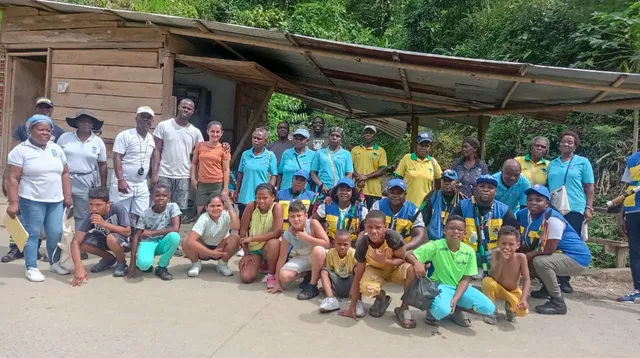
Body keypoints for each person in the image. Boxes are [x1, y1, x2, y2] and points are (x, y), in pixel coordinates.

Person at [5, 115, 72, 281]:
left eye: (48, 130)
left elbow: (65, 172)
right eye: (41, 129)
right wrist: (14, 202)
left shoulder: (56, 149)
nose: (45, 133)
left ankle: (54, 263)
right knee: (32, 233)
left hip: (55, 200)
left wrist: (67, 196)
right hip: (31, 199)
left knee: (55, 233)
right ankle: (31, 267)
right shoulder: (20, 151)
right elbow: (12, 178)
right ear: (30, 130)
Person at [2, 97, 64, 263]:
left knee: (46, 228)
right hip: (26, 183)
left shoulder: (58, 131)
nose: (44, 110)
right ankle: (16, 249)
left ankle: (39, 254)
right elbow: (14, 156)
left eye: (47, 107)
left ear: (52, 109)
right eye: (41, 107)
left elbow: (62, 164)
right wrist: (7, 183)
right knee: (22, 221)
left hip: (50, 187)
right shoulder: (24, 128)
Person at [406, 215, 496, 328]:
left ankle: (455, 309)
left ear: (465, 234)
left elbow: (466, 278)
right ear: (445, 230)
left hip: (460, 288)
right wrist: (417, 263)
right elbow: (409, 254)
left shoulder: (469, 251)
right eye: (451, 228)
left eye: (460, 229)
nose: (456, 231)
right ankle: (432, 313)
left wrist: (456, 298)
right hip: (440, 286)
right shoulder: (435, 246)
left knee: (489, 308)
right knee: (441, 310)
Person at [516, 185, 592, 314]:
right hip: (558, 254)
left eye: (539, 200)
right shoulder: (522, 214)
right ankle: (546, 288)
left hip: (577, 258)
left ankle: (557, 302)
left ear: (547, 204)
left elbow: (548, 250)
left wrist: (522, 257)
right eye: (530, 199)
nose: (533, 202)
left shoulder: (553, 219)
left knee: (540, 262)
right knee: (529, 259)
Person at [339, 210, 416, 323]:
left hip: (394, 269)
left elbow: (402, 259)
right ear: (365, 226)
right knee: (366, 288)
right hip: (375, 270)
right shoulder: (363, 243)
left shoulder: (394, 238)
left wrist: (386, 261)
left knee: (411, 270)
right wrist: (352, 306)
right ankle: (381, 297)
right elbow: (358, 273)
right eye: (369, 227)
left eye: (378, 227)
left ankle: (404, 308)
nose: (373, 231)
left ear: (385, 226)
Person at [547, 131, 594, 293]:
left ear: (575, 146)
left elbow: (589, 187)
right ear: (559, 144)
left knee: (569, 245)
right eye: (563, 141)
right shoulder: (552, 163)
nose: (566, 144)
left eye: (570, 142)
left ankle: (565, 280)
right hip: (554, 209)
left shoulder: (583, 162)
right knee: (553, 242)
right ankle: (550, 278)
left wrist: (589, 207)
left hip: (575, 208)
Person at [451, 175, 520, 275]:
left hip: (493, 254)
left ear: (495, 192)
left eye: (490, 187)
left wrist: (499, 250)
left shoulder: (504, 210)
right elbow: (452, 230)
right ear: (475, 189)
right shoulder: (462, 206)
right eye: (482, 186)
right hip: (466, 252)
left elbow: (514, 236)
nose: (486, 190)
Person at [70, 187, 132, 286]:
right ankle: (108, 259)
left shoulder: (117, 208)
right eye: (91, 204)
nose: (94, 208)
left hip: (125, 241)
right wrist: (79, 268)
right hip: (105, 239)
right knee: (81, 242)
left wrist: (104, 223)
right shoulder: (90, 215)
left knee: (111, 238)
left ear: (108, 203)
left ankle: (122, 263)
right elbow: (75, 242)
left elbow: (127, 232)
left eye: (98, 205)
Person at [151, 99, 204, 216]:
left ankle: (174, 233)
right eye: (184, 107)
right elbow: (157, 150)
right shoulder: (164, 126)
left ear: (193, 112)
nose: (186, 110)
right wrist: (155, 173)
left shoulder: (195, 132)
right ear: (178, 107)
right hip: (164, 174)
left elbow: (203, 153)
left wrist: (224, 146)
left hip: (183, 176)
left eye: (189, 109)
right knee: (159, 208)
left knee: (178, 212)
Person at [58, 110, 108, 228]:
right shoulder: (65, 138)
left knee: (82, 214)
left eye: (89, 122)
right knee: (60, 210)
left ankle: (78, 242)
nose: (86, 124)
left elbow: (102, 164)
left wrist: (103, 185)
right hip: (65, 177)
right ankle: (58, 243)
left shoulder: (98, 142)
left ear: (92, 125)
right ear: (77, 123)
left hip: (86, 179)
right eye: (83, 121)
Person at [267, 200, 330, 294]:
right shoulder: (287, 234)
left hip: (319, 256)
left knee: (317, 250)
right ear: (289, 218)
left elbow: (326, 244)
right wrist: (277, 283)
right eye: (292, 216)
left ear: (306, 216)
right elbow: (282, 258)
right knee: (283, 276)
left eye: (299, 216)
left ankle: (312, 284)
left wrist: (307, 237)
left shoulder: (313, 223)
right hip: (302, 257)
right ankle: (306, 273)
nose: (296, 219)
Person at [110, 106, 156, 222]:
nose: (146, 120)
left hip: (141, 184)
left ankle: (135, 239)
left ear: (152, 121)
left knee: (141, 216)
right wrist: (121, 180)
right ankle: (120, 239)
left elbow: (151, 159)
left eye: (149, 118)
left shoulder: (151, 139)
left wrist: (154, 176)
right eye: (143, 117)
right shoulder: (125, 135)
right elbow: (117, 157)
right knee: (120, 216)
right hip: (124, 182)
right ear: (136, 118)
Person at [127, 184, 181, 281]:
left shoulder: (173, 207)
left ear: (168, 197)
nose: (161, 198)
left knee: (175, 236)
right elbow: (136, 236)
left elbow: (175, 228)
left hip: (163, 241)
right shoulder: (145, 213)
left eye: (164, 196)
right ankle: (144, 262)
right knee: (144, 266)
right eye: (157, 195)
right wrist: (132, 262)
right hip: (148, 242)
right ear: (152, 197)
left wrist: (152, 233)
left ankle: (161, 267)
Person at [182, 193, 241, 277]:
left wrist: (230, 207)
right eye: (212, 206)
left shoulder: (227, 214)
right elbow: (191, 241)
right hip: (203, 250)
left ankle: (222, 264)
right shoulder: (204, 218)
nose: (216, 208)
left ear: (223, 206)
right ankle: (196, 264)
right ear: (206, 208)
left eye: (219, 205)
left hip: (221, 248)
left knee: (235, 238)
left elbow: (236, 227)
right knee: (186, 240)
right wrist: (211, 253)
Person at [481, 226, 530, 325]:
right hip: (497, 289)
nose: (507, 247)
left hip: (513, 291)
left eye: (511, 244)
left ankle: (510, 309)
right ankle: (491, 311)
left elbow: (526, 280)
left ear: (518, 245)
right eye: (503, 243)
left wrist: (524, 299)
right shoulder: (496, 253)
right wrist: (501, 262)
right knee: (487, 281)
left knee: (522, 311)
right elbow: (494, 276)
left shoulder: (521, 258)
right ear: (498, 243)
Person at [238, 183, 283, 287]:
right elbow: (243, 230)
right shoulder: (252, 206)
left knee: (274, 243)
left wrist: (253, 238)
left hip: (268, 246)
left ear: (273, 197)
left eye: (265, 198)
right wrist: (246, 254)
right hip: (254, 247)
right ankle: (260, 262)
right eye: (258, 198)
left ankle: (271, 274)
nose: (261, 201)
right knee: (246, 277)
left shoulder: (277, 207)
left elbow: (277, 232)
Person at [305, 230, 358, 312]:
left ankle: (357, 299)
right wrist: (327, 286)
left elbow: (357, 274)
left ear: (350, 244)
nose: (342, 247)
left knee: (357, 269)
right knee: (324, 271)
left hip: (351, 285)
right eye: (339, 244)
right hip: (337, 283)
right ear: (334, 243)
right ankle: (331, 299)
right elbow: (330, 270)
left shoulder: (353, 253)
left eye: (345, 244)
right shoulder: (331, 253)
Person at [371, 179, 426, 250]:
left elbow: (420, 235)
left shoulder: (413, 210)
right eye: (392, 192)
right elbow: (370, 228)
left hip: (404, 249)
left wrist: (403, 248)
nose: (395, 195)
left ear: (405, 194)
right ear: (387, 193)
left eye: (399, 193)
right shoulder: (378, 206)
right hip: (379, 247)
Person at [190, 121, 231, 217]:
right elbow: (194, 163)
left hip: (217, 184)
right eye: (212, 131)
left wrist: (225, 188)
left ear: (221, 133)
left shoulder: (224, 149)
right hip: (202, 184)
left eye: (217, 132)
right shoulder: (200, 146)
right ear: (207, 131)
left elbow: (226, 170)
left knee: (215, 212)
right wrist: (193, 178)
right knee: (201, 213)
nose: (215, 134)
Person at [236, 127, 278, 216]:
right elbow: (240, 173)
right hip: (245, 196)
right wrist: (236, 191)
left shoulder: (270, 156)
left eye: (259, 138)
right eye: (254, 137)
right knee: (244, 224)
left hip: (261, 198)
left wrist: (270, 190)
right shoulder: (245, 154)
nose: (255, 140)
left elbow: (274, 175)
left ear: (265, 141)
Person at [394, 131, 442, 207]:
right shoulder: (407, 158)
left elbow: (438, 184)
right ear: (416, 145)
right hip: (406, 205)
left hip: (424, 207)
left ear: (430, 148)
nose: (424, 148)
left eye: (427, 146)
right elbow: (397, 180)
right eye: (421, 145)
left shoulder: (433, 162)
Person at [313, 178, 368, 243]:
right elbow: (313, 221)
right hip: (331, 246)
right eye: (341, 190)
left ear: (352, 192)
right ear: (336, 191)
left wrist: (360, 241)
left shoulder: (360, 209)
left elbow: (369, 227)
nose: (344, 192)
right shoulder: (327, 206)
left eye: (348, 190)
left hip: (352, 247)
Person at [618, 150, 640, 302]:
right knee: (635, 252)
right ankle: (638, 290)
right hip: (633, 209)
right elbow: (629, 187)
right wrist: (621, 215)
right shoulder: (632, 159)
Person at [421, 169, 464, 241]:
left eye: (450, 181)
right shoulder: (432, 197)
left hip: (455, 241)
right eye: (444, 180)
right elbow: (423, 220)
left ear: (456, 183)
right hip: (434, 241)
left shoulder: (461, 200)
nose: (447, 183)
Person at [351, 125, 388, 209]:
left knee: (372, 215)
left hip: (373, 191)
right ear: (363, 134)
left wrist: (366, 177)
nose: (368, 134)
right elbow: (350, 166)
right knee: (355, 215)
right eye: (366, 132)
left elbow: (382, 170)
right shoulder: (355, 150)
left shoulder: (380, 151)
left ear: (374, 135)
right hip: (356, 189)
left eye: (371, 133)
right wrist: (359, 177)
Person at [310, 127, 353, 196]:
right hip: (322, 192)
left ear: (341, 138)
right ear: (328, 137)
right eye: (332, 135)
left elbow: (349, 174)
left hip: (339, 192)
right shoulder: (319, 153)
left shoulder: (346, 154)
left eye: (337, 136)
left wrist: (337, 186)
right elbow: (313, 173)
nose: (334, 137)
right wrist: (321, 185)